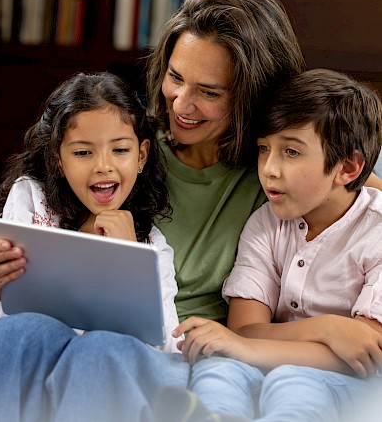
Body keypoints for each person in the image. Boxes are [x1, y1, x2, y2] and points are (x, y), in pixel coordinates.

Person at [0, 0, 382, 421]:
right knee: (13, 341)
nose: (182, 104)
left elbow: (357, 189)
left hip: (170, 350)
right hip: (72, 328)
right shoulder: (126, 148)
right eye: (176, 78)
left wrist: (331, 327)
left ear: (254, 94)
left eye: (210, 92)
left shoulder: (277, 173)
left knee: (100, 353)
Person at [0, 71, 179, 422]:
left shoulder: (151, 248)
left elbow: (162, 344)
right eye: (83, 152)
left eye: (121, 150)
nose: (103, 166)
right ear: (58, 158)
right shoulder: (34, 198)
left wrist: (126, 257)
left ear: (142, 155)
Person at [155, 68, 382, 421]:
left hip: (355, 382)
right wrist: (326, 329)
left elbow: (366, 352)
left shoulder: (376, 231)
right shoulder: (266, 222)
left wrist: (247, 347)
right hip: (267, 359)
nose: (269, 169)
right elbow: (244, 330)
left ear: (348, 168)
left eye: (291, 152)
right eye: (264, 149)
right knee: (219, 369)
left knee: (294, 382)